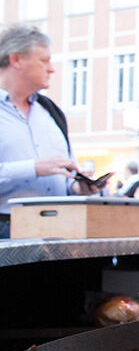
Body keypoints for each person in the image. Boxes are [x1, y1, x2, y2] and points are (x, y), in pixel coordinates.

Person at [0, 24, 101, 238]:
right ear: (16, 60)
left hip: (58, 229)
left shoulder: (51, 112)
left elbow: (65, 177)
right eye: (44, 60)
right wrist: (33, 168)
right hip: (6, 230)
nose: (52, 69)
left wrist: (78, 188)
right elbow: (42, 168)